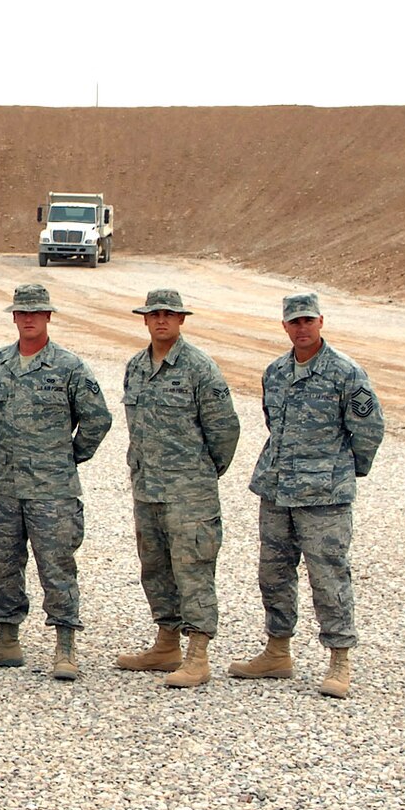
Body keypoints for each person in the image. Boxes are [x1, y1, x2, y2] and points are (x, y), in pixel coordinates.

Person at [236, 292, 384, 698]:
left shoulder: (345, 372)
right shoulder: (276, 372)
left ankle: (339, 660)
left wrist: (345, 471)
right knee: (273, 573)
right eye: (294, 322)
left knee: (328, 575)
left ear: (321, 322)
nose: (301, 328)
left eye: (308, 321)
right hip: (277, 489)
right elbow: (273, 422)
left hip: (324, 495)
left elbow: (368, 429)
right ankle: (277, 651)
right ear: (284, 326)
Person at [0, 284, 113, 679]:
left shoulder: (69, 367)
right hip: (6, 487)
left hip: (53, 489)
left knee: (57, 565)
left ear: (48, 317)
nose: (29, 319)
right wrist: (0, 449)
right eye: (22, 313)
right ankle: (7, 639)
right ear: (14, 317)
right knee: (3, 563)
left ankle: (65, 646)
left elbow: (98, 418)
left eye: (36, 313)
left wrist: (68, 456)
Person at [116, 289, 242, 689]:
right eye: (154, 315)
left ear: (182, 320)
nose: (161, 321)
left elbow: (225, 431)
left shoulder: (199, 368)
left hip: (190, 492)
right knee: (155, 568)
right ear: (145, 320)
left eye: (169, 315)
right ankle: (166, 643)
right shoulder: (136, 367)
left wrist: (201, 474)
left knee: (193, 569)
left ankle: (198, 654)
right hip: (148, 487)